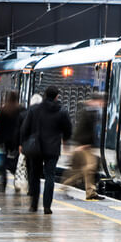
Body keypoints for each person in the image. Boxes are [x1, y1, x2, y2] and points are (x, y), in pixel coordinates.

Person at [19, 86, 72, 214]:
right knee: (50, 177)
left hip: (36, 148)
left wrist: (22, 143)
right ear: (56, 96)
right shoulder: (61, 111)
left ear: (44, 95)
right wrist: (65, 139)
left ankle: (34, 205)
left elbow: (24, 128)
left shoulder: (34, 109)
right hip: (52, 149)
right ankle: (47, 206)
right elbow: (68, 129)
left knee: (34, 175)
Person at [63, 94, 103, 199]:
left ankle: (68, 184)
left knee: (84, 169)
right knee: (90, 167)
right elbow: (80, 129)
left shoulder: (91, 111)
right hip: (84, 145)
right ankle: (89, 192)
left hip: (86, 145)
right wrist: (81, 144)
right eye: (101, 102)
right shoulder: (88, 112)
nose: (102, 104)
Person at [0, 91, 23, 193]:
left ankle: (3, 182)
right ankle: (16, 183)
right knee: (16, 162)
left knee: (3, 161)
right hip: (16, 140)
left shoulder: (4, 109)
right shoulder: (20, 109)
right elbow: (22, 126)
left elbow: (0, 126)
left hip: (5, 140)